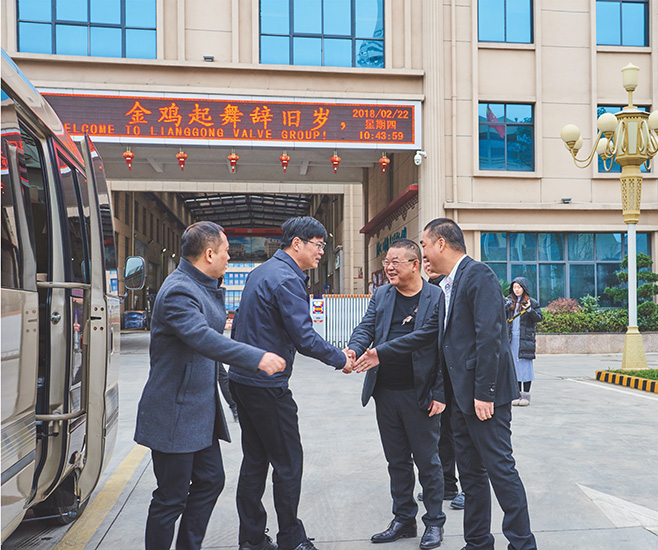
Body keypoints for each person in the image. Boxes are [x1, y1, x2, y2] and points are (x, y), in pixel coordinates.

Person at [356, 218, 538, 550]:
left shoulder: (478, 275)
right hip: (460, 399)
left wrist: (485, 393)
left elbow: (490, 338)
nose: (423, 253)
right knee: (471, 473)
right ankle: (478, 542)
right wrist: (380, 353)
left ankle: (522, 544)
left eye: (424, 245)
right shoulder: (445, 286)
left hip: (484, 398)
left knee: (500, 469)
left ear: (441, 243)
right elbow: (430, 334)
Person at [134, 221, 286, 550]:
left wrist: (232, 399)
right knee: (171, 497)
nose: (229, 257)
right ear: (208, 254)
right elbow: (204, 339)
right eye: (226, 251)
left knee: (211, 480)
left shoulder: (201, 285)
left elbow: (210, 355)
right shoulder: (179, 291)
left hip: (197, 413)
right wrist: (257, 357)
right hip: (173, 412)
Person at [227, 216, 354, 550]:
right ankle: (290, 539)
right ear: (297, 243)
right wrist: (340, 359)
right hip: (267, 387)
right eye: (318, 245)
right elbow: (304, 337)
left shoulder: (261, 273)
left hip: (242, 379)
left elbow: (239, 326)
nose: (322, 252)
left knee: (255, 461)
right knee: (288, 463)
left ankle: (251, 539)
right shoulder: (286, 279)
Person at [347, 239, 446, 549]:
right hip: (386, 392)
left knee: (428, 462)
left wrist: (440, 392)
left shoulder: (435, 297)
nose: (388, 267)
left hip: (421, 392)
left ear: (415, 265)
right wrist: (353, 349)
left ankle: (434, 522)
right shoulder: (382, 294)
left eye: (395, 262)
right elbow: (366, 327)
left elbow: (439, 345)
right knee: (397, 461)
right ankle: (404, 519)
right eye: (387, 262)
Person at [418, 257, 464, 511]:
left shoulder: (459, 285)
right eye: (424, 260)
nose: (427, 264)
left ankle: (470, 487)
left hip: (461, 374)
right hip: (440, 375)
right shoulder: (430, 290)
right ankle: (447, 483)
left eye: (429, 258)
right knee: (442, 432)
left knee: (463, 433)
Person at [505, 278, 543, 407]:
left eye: (519, 287)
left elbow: (539, 318)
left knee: (525, 367)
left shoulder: (532, 302)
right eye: (514, 287)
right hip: (511, 339)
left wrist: (529, 310)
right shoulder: (509, 302)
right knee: (514, 368)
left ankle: (525, 395)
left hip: (525, 339)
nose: (516, 290)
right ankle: (516, 395)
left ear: (524, 288)